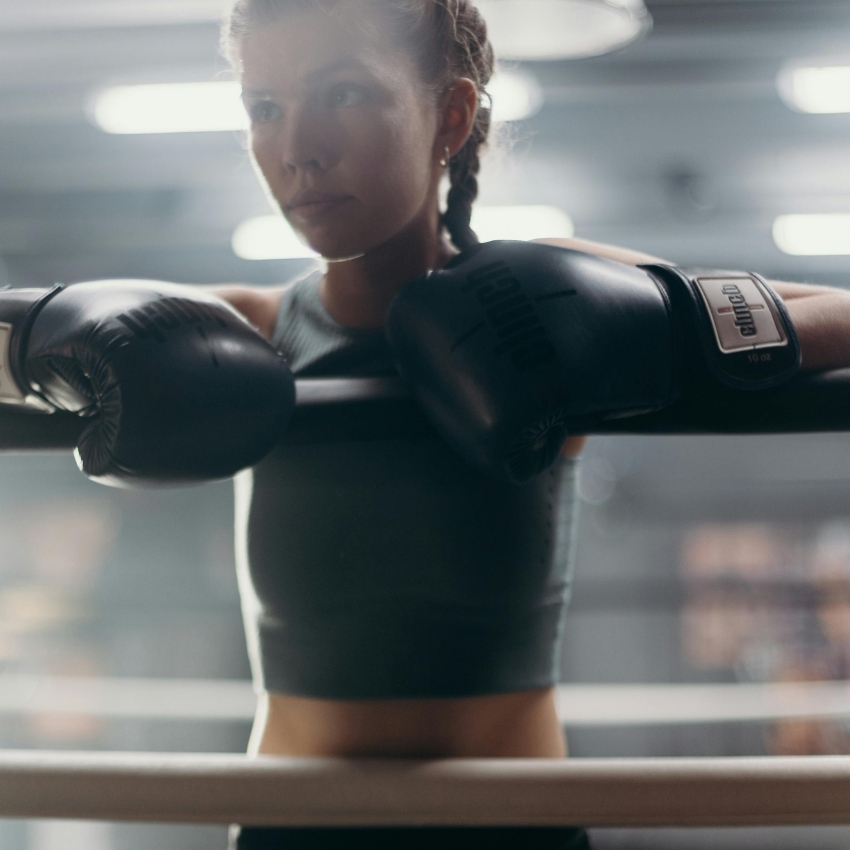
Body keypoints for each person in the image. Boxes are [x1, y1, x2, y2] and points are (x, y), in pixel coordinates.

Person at [205, 0, 850, 847]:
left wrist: (659, 329)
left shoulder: (540, 309)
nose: (299, 148)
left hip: (512, 829)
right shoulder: (247, 332)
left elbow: (838, 313)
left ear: (452, 115)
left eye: (345, 94)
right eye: (266, 108)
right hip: (294, 832)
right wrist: (55, 353)